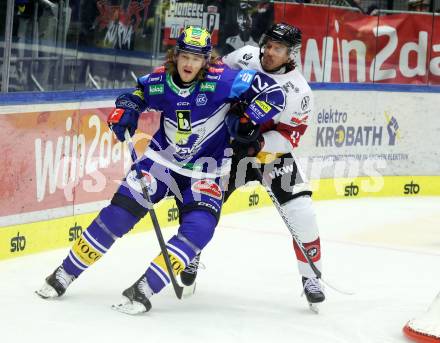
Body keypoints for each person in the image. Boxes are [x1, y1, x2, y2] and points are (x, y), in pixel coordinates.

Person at [35, 26, 286, 314]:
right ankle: (64, 273)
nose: (189, 64)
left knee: (201, 228)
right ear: (176, 55)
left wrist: (247, 119)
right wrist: (126, 109)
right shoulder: (160, 80)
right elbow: (136, 94)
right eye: (185, 56)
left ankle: (145, 286)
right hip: (161, 163)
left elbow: (274, 93)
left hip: (206, 171)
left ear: (207, 60)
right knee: (117, 215)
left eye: (197, 58)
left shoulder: (224, 80)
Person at [180, 23, 325, 310]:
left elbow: (289, 137)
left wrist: (259, 144)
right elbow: (214, 81)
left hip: (268, 155)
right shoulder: (244, 57)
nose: (270, 52)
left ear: (291, 53)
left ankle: (311, 278)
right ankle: (190, 252)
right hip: (229, 150)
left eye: (278, 49)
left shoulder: (299, 91)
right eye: (268, 45)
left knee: (302, 212)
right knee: (203, 203)